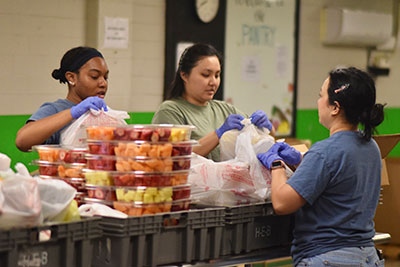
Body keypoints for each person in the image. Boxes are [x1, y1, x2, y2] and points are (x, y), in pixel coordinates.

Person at [257, 67, 385, 266]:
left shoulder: (325, 151)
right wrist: (303, 161)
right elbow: (337, 176)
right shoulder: (371, 146)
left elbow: (282, 203)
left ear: (335, 107)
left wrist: (276, 165)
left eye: (321, 95)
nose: (318, 102)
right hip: (367, 257)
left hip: (329, 257)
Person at [152, 43, 274, 161]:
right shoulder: (170, 111)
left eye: (217, 75)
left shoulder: (225, 109)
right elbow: (174, 157)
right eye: (206, 75)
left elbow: (266, 139)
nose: (213, 82)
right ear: (184, 75)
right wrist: (218, 134)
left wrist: (267, 127)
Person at [16, 46, 108, 152]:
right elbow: (22, 141)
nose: (103, 83)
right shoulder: (55, 109)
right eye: (94, 76)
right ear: (71, 78)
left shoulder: (102, 114)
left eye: (105, 77)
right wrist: (73, 113)